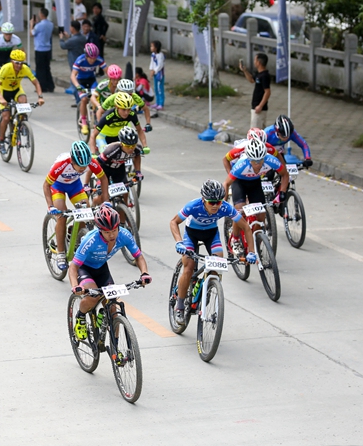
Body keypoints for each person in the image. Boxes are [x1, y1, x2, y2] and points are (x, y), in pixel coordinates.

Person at [170, 179, 255, 323]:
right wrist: (179, 242)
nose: (216, 206)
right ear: (203, 200)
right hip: (192, 235)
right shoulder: (193, 206)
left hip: (211, 234)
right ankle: (179, 306)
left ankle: (210, 285)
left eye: (219, 202)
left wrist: (251, 252)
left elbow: (246, 227)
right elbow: (174, 222)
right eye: (211, 202)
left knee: (217, 264)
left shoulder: (225, 207)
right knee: (189, 267)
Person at [69, 203, 152, 341]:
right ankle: (81, 316)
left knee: (113, 307)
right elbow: (73, 267)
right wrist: (75, 286)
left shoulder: (124, 235)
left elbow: (138, 256)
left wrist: (144, 273)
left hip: (101, 268)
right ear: (100, 230)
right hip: (85, 268)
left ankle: (116, 346)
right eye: (107, 232)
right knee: (94, 296)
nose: (112, 234)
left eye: (114, 230)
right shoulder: (90, 240)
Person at [44, 141, 109, 271]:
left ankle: (73, 232)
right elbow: (46, 185)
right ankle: (61, 253)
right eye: (80, 166)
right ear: (72, 160)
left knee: (86, 213)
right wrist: (50, 206)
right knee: (61, 215)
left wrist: (106, 201)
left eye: (85, 166)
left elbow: (104, 179)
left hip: (75, 186)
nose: (82, 168)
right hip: (58, 187)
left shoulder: (90, 161)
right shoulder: (61, 164)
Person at [222, 138, 289, 232]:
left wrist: (282, 192)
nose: (258, 164)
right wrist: (223, 204)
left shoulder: (270, 160)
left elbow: (285, 174)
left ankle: (255, 235)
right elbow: (226, 183)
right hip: (239, 182)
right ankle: (235, 240)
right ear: (249, 159)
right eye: (255, 161)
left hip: (255, 183)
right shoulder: (241, 164)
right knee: (239, 212)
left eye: (261, 160)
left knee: (261, 214)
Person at [0, 49, 44, 155]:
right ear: (12, 61)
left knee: (24, 101)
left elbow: (36, 83)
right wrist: (1, 98)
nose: (19, 65)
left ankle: (22, 123)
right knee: (6, 117)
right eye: (17, 63)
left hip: (16, 90)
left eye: (21, 63)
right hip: (4, 92)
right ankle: (1, 141)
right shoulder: (5, 68)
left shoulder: (25, 69)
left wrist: (40, 97)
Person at [71, 42, 106, 136]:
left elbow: (108, 72)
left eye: (94, 58)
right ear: (86, 56)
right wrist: (77, 86)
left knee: (96, 97)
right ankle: (84, 122)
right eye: (91, 58)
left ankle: (95, 116)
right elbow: (73, 75)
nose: (93, 60)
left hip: (92, 81)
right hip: (80, 82)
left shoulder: (99, 59)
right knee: (84, 99)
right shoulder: (80, 60)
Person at [241, 52, 270, 129]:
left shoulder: (264, 76)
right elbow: (251, 80)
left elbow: (267, 92)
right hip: (255, 106)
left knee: (255, 132)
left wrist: (260, 106)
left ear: (259, 62)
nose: (254, 62)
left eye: (255, 60)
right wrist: (245, 71)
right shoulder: (259, 74)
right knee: (260, 132)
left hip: (259, 108)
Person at [30, 8, 55, 93]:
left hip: (40, 48)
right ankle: (50, 85)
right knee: (47, 68)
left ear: (41, 14)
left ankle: (42, 86)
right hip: (47, 48)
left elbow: (32, 33)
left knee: (40, 69)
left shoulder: (39, 26)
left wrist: (31, 25)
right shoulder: (50, 24)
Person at [59, 20, 86, 94]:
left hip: (74, 60)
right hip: (82, 60)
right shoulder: (83, 38)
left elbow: (63, 46)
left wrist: (61, 38)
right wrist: (69, 37)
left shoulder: (72, 40)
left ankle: (77, 95)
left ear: (73, 28)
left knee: (74, 77)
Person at [149, 40, 166, 111]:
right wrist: (151, 70)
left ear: (156, 48)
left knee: (160, 89)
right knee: (156, 88)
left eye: (152, 46)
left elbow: (160, 65)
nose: (151, 48)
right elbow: (152, 63)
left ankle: (161, 104)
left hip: (159, 75)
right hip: (155, 74)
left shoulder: (160, 55)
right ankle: (157, 102)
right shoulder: (153, 55)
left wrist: (155, 70)